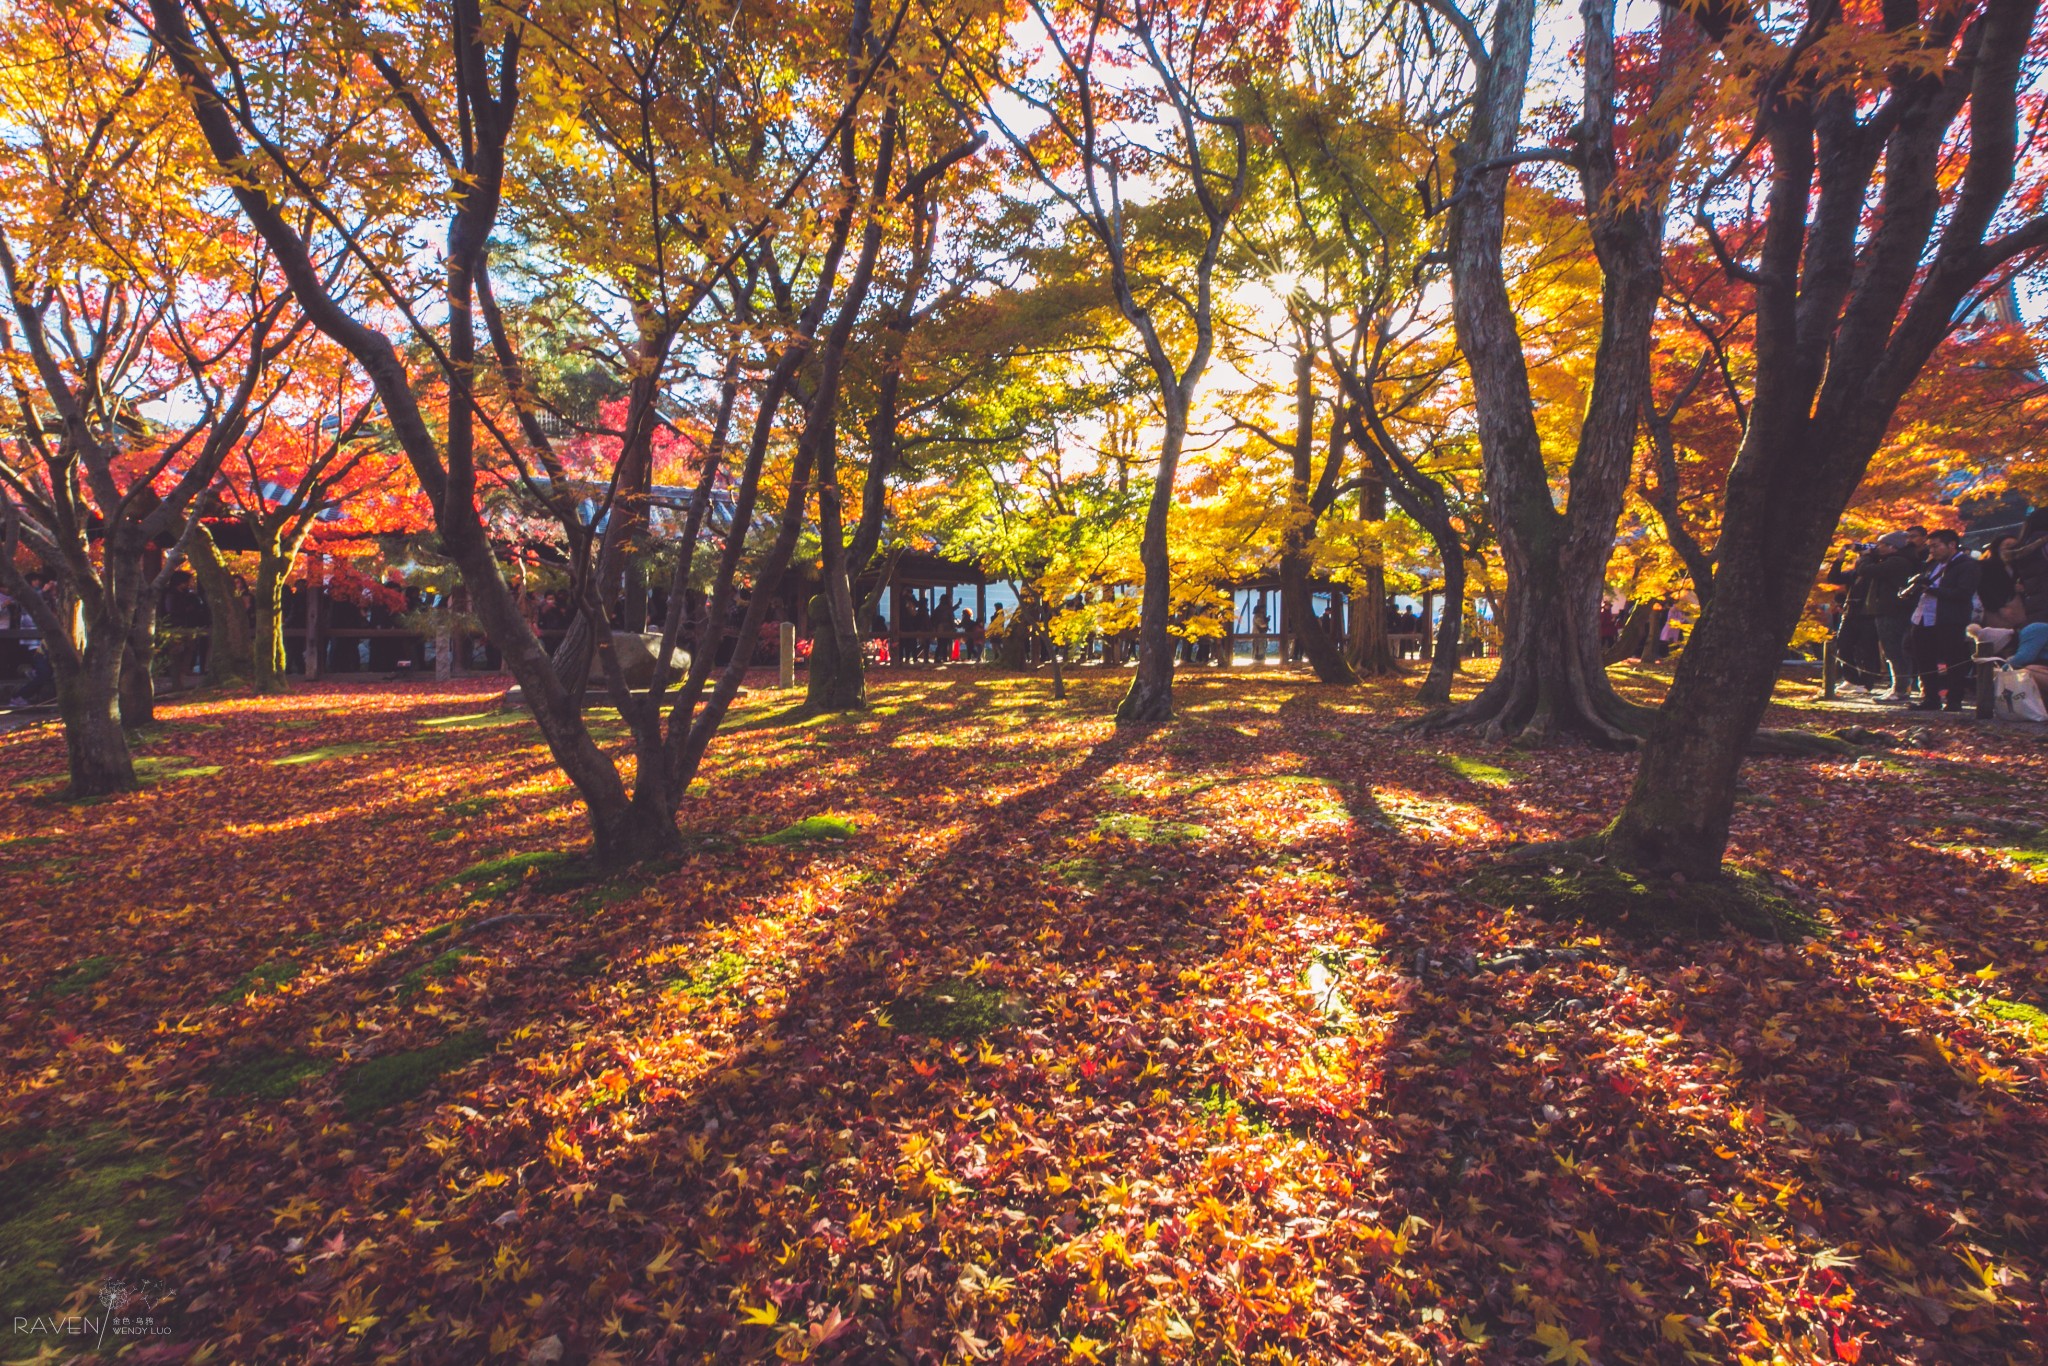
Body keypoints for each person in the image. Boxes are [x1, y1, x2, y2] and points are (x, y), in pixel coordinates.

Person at [1903, 528, 1981, 711]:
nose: (1932, 550)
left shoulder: (1967, 565)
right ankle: (1931, 698)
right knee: (1923, 658)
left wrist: (1930, 589)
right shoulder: (1932, 564)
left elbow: (1963, 593)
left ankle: (1954, 700)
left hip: (1949, 619)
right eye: (1930, 547)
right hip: (1923, 617)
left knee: (1953, 659)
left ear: (1951, 545)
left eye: (1936, 546)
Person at [1252, 597, 1269, 664]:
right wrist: (1266, 622)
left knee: (1262, 646)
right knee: (1258, 647)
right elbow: (1262, 625)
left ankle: (1260, 658)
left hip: (1261, 634)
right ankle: (1258, 659)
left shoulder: (1259, 616)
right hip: (1258, 633)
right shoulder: (1257, 616)